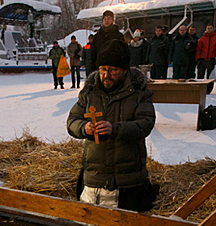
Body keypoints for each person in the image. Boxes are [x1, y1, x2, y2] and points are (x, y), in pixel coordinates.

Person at [67, 39, 158, 212]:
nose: (106, 75)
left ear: (124, 71)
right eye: (103, 69)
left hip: (127, 180)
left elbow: (145, 124)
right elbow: (72, 121)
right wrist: (84, 128)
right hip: (95, 176)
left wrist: (115, 129)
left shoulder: (139, 93)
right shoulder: (90, 92)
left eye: (113, 70)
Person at [196, 23, 216, 94]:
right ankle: (200, 89)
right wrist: (198, 58)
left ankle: (208, 89)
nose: (209, 29)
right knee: (200, 75)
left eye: (210, 28)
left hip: (211, 59)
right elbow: (199, 49)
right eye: (208, 28)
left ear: (213, 29)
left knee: (210, 76)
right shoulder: (202, 38)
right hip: (202, 59)